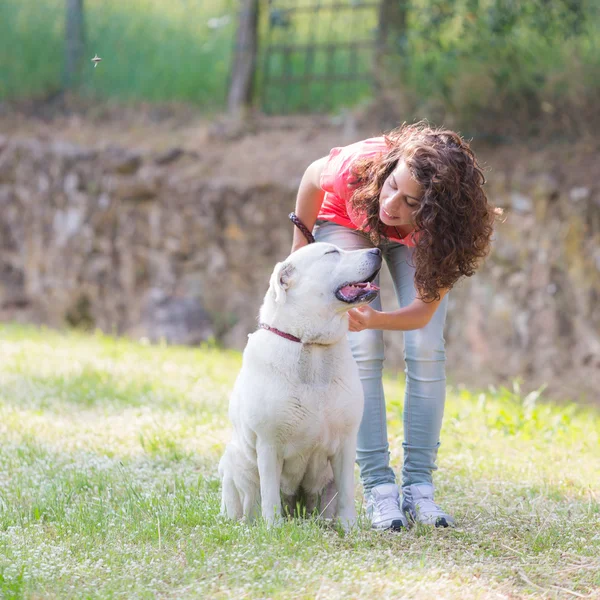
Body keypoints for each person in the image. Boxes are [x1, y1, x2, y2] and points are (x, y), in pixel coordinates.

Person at [290, 121, 497, 530]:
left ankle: (419, 488)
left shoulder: (445, 235)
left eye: (410, 201)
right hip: (346, 218)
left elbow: (421, 313)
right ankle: (379, 488)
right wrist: (300, 244)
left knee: (426, 348)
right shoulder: (361, 169)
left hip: (415, 239)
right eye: (393, 186)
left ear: (435, 210)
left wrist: (376, 319)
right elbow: (314, 175)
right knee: (364, 350)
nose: (392, 204)